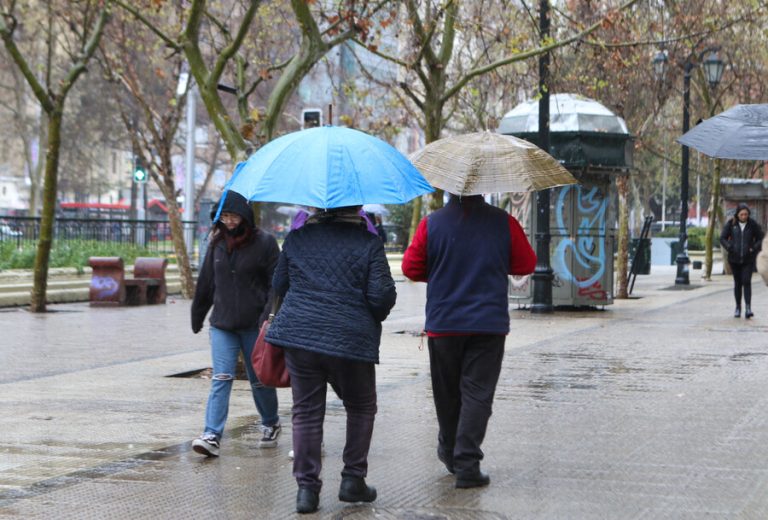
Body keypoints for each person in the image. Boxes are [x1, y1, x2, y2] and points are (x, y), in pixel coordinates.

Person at [266, 206, 397, 514]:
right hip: (350, 339)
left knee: (307, 412)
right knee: (361, 405)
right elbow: (381, 296)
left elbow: (279, 284)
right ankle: (353, 480)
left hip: (300, 337)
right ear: (356, 208)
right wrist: (367, 315)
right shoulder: (368, 242)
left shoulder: (297, 238)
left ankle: (306, 491)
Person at [401, 193, 536, 489]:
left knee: (447, 393)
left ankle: (450, 452)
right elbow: (526, 263)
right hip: (488, 325)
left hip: (444, 323)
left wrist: (441, 272)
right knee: (478, 393)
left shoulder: (431, 223)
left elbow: (410, 268)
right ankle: (467, 464)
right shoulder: (504, 222)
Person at [190, 191, 282, 457]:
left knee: (259, 380)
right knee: (221, 377)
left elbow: (275, 284)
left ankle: (271, 422)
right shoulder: (217, 244)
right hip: (222, 324)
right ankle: (211, 435)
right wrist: (197, 315)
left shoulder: (265, 243)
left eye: (234, 216)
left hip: (255, 324)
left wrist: (268, 317)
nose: (230, 222)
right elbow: (207, 282)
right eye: (225, 217)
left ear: (245, 216)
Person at [720, 203, 764, 319]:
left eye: (746, 214)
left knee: (746, 281)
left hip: (748, 259)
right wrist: (729, 247)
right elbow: (722, 238)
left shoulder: (752, 224)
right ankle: (738, 307)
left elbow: (761, 238)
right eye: (742, 214)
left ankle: (748, 308)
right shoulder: (731, 224)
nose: (744, 216)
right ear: (738, 214)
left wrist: (753, 248)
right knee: (738, 283)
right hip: (734, 259)